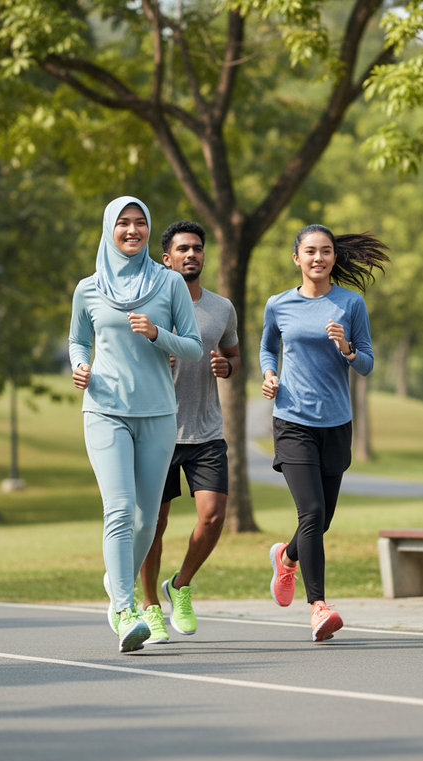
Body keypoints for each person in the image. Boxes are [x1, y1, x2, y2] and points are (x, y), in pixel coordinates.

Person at [69, 197, 203, 653]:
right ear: (109, 229)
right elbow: (76, 340)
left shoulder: (168, 284)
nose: (132, 230)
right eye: (123, 223)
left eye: (140, 222)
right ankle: (125, 611)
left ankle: (116, 578)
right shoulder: (88, 288)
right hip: (105, 410)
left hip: (159, 414)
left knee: (148, 521)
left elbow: (193, 348)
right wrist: (80, 365)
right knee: (120, 510)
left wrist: (156, 334)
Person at [259, 226, 388, 642]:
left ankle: (287, 556)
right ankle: (318, 607)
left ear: (334, 257)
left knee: (323, 518)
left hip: (336, 422)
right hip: (293, 419)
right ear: (296, 257)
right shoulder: (279, 304)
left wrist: (347, 347)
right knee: (311, 512)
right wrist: (269, 374)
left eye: (326, 251)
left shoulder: (351, 303)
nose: (318, 258)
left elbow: (366, 364)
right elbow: (266, 347)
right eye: (310, 251)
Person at [138, 221, 240, 642]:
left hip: (206, 430)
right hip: (158, 428)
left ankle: (179, 585)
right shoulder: (151, 306)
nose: (192, 254)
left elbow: (233, 354)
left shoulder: (221, 308)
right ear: (167, 258)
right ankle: (149, 606)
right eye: (183, 249)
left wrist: (227, 367)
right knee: (153, 524)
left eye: (198, 248)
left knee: (213, 516)